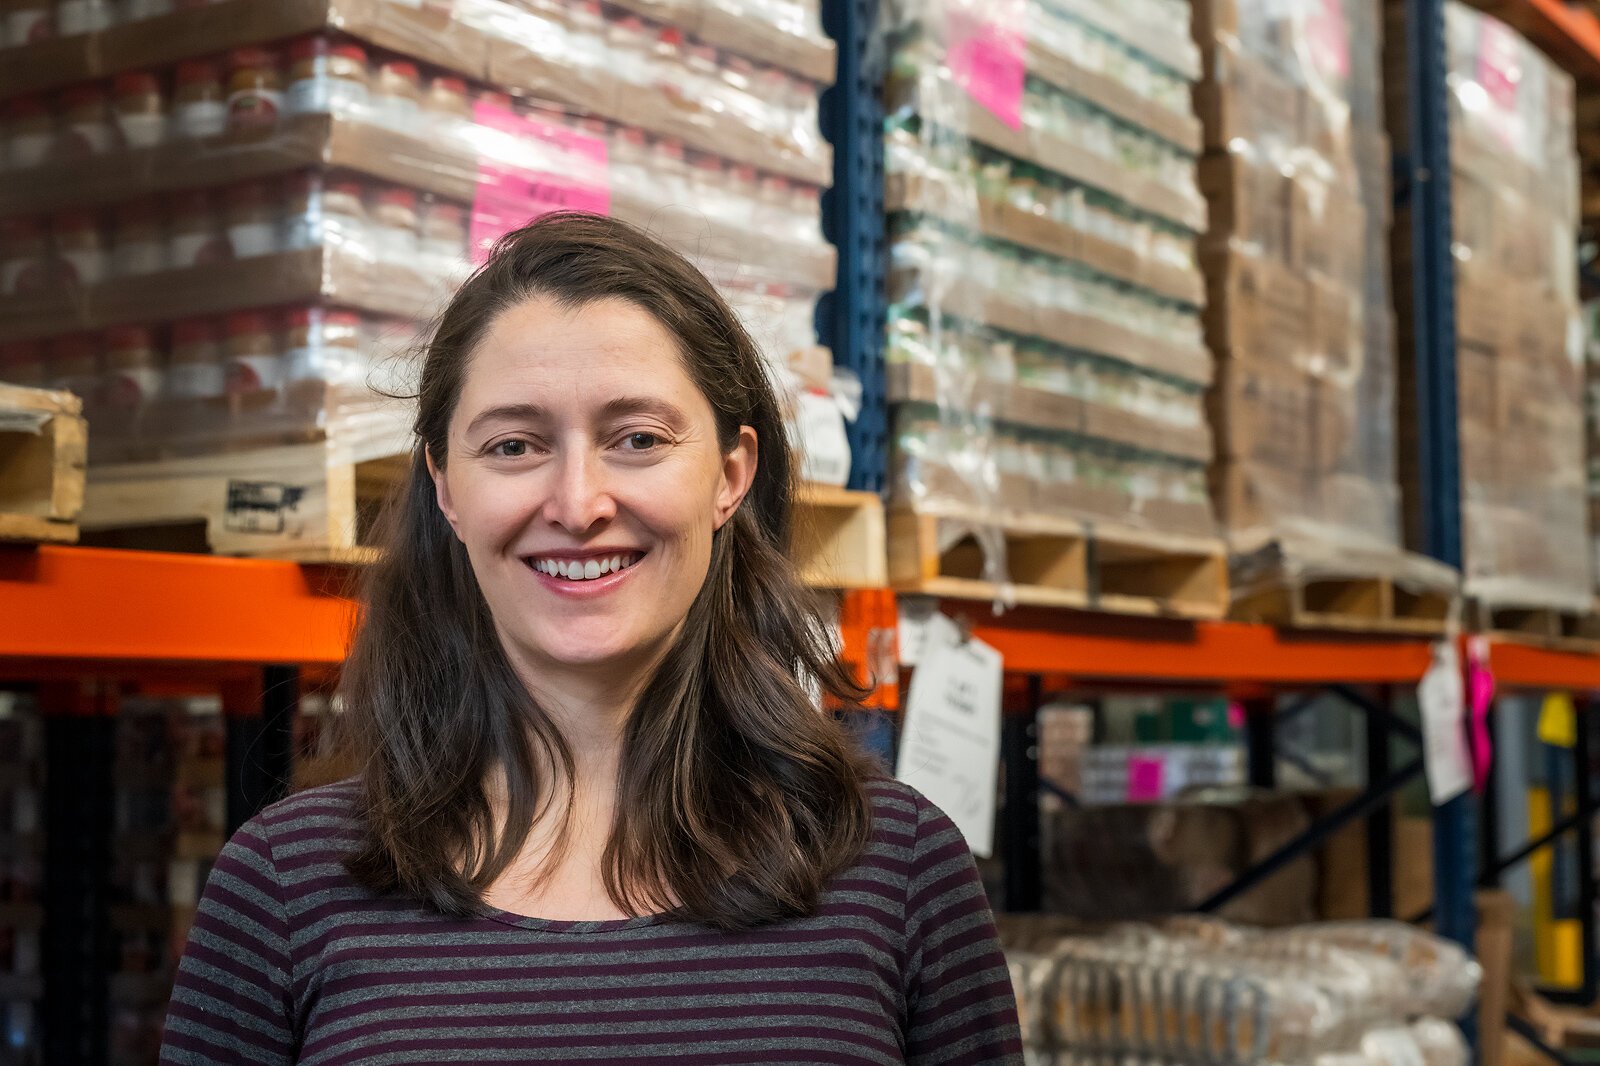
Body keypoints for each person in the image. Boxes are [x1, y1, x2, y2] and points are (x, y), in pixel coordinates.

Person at [159, 212, 1022, 1065]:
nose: (577, 504)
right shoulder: (285, 886)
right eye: (513, 445)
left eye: (637, 439)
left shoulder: (897, 870)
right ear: (446, 488)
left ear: (730, 475)